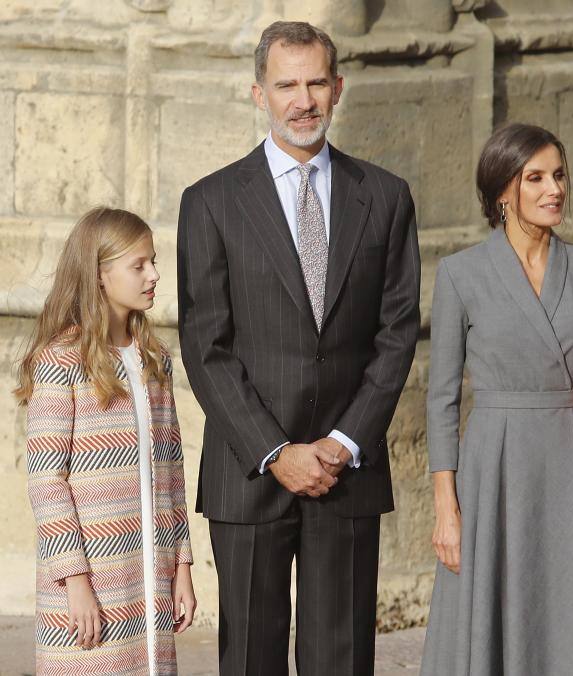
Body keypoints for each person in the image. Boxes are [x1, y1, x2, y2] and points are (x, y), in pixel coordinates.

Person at [176, 20, 420, 676]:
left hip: (348, 473)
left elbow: (397, 333)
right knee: (251, 657)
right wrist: (275, 451)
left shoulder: (387, 198)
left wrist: (345, 442)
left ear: (338, 88)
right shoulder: (211, 202)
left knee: (341, 659)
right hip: (250, 472)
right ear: (260, 93)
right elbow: (206, 345)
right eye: (287, 84)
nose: (303, 98)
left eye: (316, 81)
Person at [421, 123, 573, 675]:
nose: (552, 189)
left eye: (558, 175)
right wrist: (447, 508)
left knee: (569, 615)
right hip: (495, 469)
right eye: (534, 177)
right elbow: (441, 399)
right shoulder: (460, 274)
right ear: (503, 194)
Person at [16, 207, 195, 675]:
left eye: (153, 261)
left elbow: (171, 474)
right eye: (139, 265)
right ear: (99, 275)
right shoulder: (61, 361)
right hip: (88, 580)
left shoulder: (155, 361)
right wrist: (74, 580)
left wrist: (182, 567)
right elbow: (46, 481)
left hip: (150, 574)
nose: (154, 274)